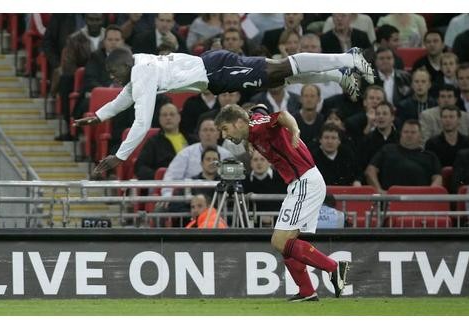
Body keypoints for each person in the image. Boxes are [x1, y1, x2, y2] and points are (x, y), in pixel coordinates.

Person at [73, 45, 374, 178]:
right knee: (281, 76)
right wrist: (100, 115)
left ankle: (348, 58)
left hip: (217, 71)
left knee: (280, 68)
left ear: (124, 65)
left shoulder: (142, 73)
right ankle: (338, 75)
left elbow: (140, 122)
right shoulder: (139, 64)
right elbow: (126, 95)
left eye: (113, 72)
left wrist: (120, 155)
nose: (112, 77)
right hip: (214, 74)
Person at [214, 104, 349, 301]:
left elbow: (283, 115)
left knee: (280, 241)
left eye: (225, 128)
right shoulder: (252, 125)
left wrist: (295, 129)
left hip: (305, 181)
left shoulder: (259, 126)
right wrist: (247, 142)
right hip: (300, 183)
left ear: (239, 122)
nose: (224, 135)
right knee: (284, 242)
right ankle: (306, 291)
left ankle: (333, 267)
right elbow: (260, 107)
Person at [365, 119, 442, 194]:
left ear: (420, 135)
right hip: (390, 200)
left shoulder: (430, 156)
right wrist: (379, 191)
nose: (409, 135)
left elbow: (438, 178)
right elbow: (370, 170)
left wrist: (429, 195)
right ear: (401, 133)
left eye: (413, 132)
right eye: (406, 132)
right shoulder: (387, 150)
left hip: (419, 202)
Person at [134, 103, 195, 180]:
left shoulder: (191, 140)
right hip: (165, 183)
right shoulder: (153, 143)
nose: (168, 118)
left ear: (179, 118)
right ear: (159, 119)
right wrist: (161, 175)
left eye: (172, 114)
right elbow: (140, 168)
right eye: (164, 115)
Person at [242, 150, 287, 227]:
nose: (259, 163)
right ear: (251, 163)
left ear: (269, 162)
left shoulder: (281, 179)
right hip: (252, 226)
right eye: (255, 160)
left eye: (262, 159)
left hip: (279, 224)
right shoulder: (244, 180)